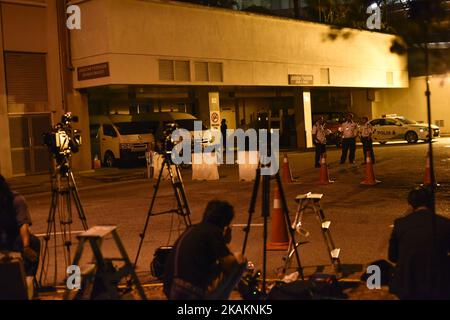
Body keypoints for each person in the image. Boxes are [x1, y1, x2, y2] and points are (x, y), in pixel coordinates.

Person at [163, 200, 247, 300]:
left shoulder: (192, 229)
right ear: (225, 223)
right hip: (190, 292)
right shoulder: (213, 231)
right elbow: (230, 263)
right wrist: (226, 242)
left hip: (171, 289)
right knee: (239, 259)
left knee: (217, 265)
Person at [388, 187, 450, 299]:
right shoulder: (444, 224)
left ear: (411, 205)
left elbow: (392, 256)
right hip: (437, 283)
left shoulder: (401, 224)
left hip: (407, 283)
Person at [0, 175, 40, 278]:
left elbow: (23, 224)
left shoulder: (17, 200)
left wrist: (26, 247)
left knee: (33, 242)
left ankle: (27, 279)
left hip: (13, 235)